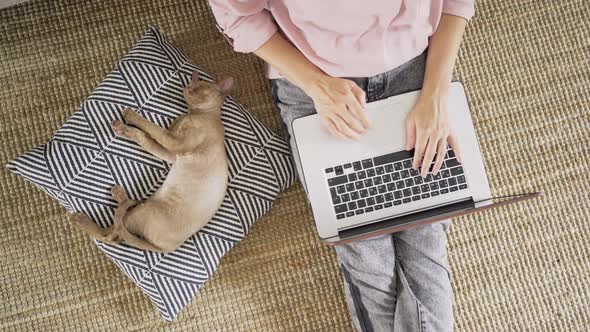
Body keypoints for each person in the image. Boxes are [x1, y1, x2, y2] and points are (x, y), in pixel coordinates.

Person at [208, 1, 474, 330]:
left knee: (426, 240)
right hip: (312, 80)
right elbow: (238, 17)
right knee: (366, 253)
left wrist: (436, 93)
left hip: (415, 70)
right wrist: (316, 85)